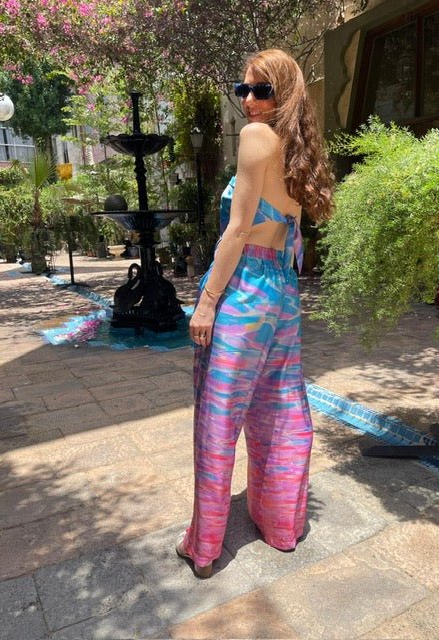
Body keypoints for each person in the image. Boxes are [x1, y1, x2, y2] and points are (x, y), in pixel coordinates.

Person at [176, 48, 334, 578]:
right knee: (280, 408)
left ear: (282, 94)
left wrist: (207, 301)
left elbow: (239, 229)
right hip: (282, 294)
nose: (248, 100)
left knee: (219, 417)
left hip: (244, 290)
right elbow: (290, 234)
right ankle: (281, 525)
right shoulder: (297, 149)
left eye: (260, 90)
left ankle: (205, 547)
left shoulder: (256, 137)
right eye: (242, 89)